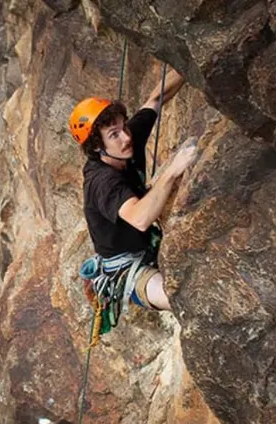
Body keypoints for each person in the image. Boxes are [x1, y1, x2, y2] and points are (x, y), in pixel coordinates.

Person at [70, 66, 199, 313]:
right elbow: (140, 218)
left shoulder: (126, 140)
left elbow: (157, 98)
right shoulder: (102, 182)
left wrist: (189, 63)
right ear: (97, 147)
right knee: (181, 299)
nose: (126, 137)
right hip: (126, 267)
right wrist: (173, 171)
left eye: (124, 127)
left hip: (148, 244)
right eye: (114, 134)